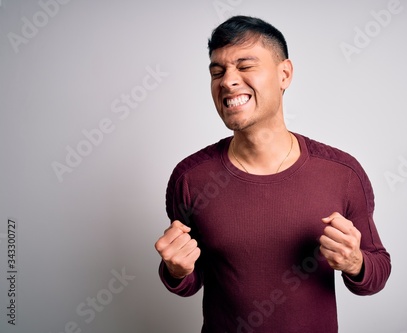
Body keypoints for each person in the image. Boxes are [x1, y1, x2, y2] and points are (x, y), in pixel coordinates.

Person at [155, 15, 391, 333]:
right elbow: (189, 281)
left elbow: (376, 272)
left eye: (245, 65)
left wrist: (354, 263)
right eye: (217, 71)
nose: (227, 81)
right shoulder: (191, 179)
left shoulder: (342, 173)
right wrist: (175, 270)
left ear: (284, 74)